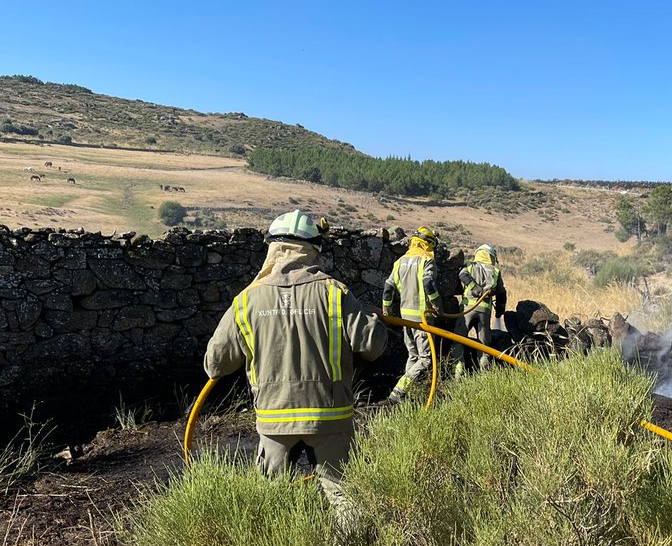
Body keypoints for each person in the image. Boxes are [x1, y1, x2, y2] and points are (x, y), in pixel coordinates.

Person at [204, 210, 387, 517]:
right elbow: (372, 346)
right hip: (330, 417)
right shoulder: (334, 293)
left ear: (271, 247)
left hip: (275, 420)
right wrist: (369, 314)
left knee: (272, 504)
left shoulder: (246, 301)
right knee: (346, 500)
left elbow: (215, 364)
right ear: (313, 248)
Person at [381, 226, 442, 403]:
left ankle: (406, 394)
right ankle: (398, 392)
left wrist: (387, 311)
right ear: (428, 244)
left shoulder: (400, 261)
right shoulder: (426, 260)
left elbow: (388, 287)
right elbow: (429, 283)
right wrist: (437, 305)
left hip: (404, 318)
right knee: (426, 359)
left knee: (413, 356)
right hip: (422, 318)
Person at [450, 244, 506, 379]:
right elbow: (502, 293)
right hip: (484, 313)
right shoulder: (495, 271)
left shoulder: (469, 266)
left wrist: (473, 288)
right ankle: (484, 376)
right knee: (484, 346)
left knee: (458, 341)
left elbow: (462, 275)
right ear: (491, 256)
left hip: (467, 311)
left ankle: (457, 375)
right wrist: (499, 312)